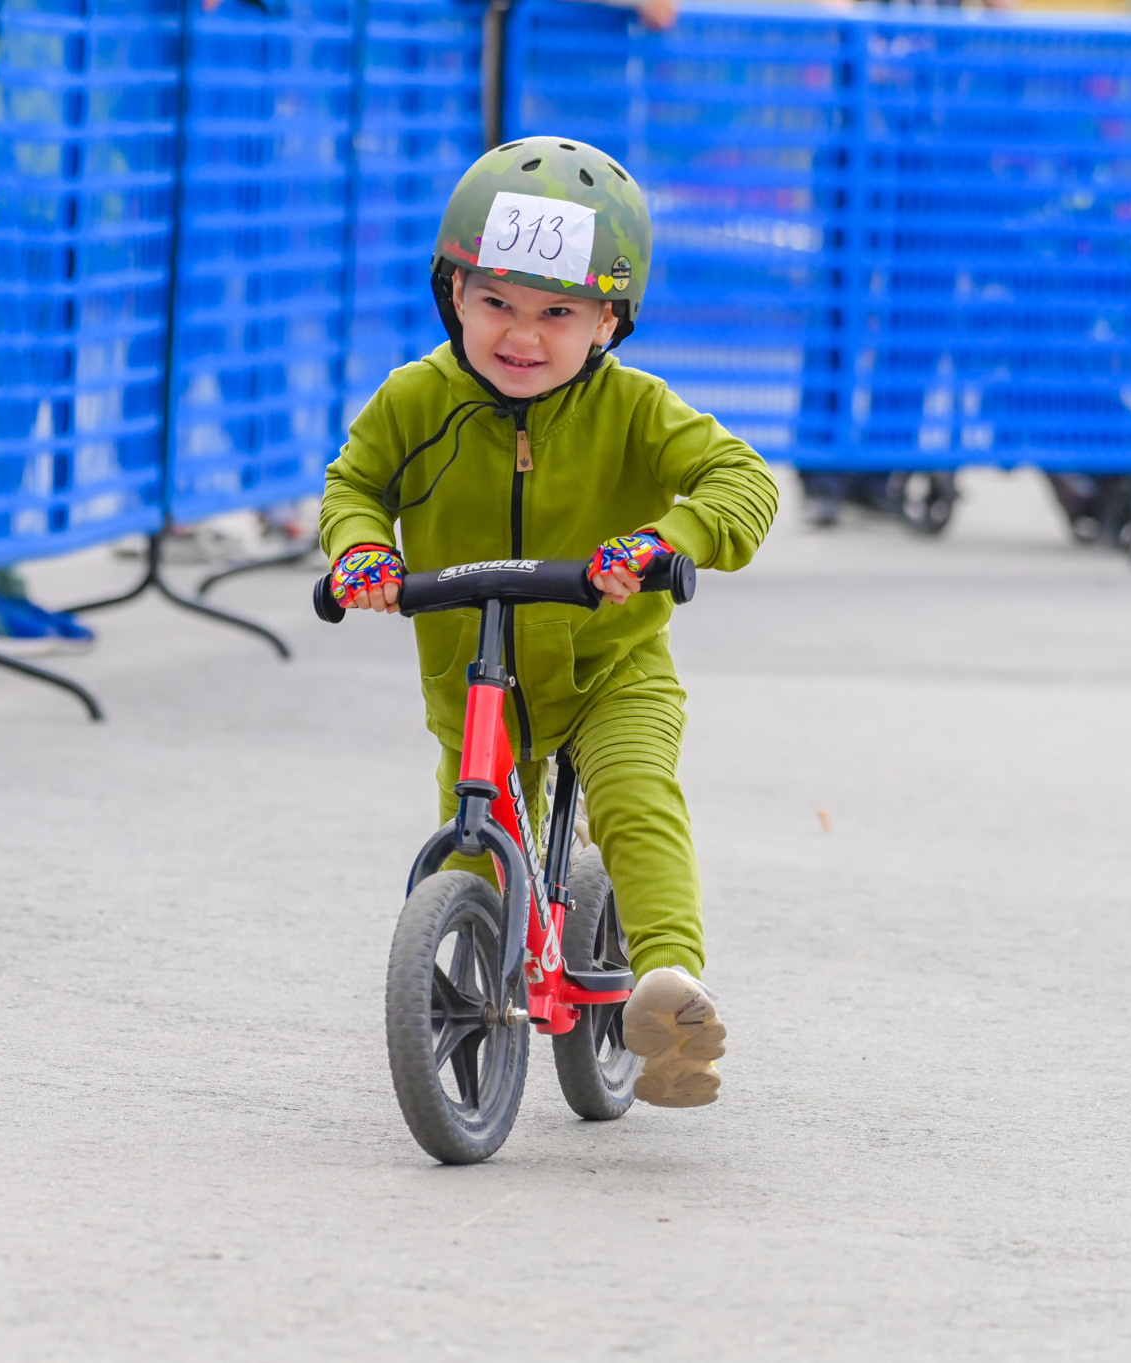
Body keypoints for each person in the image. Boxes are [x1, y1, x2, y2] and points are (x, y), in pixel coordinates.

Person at [319, 138, 778, 1108]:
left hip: (611, 664)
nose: (520, 334)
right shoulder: (417, 400)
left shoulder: (632, 409)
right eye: (495, 303)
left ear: (607, 320)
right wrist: (359, 548)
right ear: (451, 293)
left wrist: (667, 539)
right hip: (472, 676)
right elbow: (356, 482)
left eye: (556, 312)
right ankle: (469, 978)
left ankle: (665, 986)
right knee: (472, 837)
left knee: (632, 791)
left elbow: (742, 481)